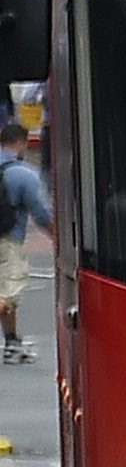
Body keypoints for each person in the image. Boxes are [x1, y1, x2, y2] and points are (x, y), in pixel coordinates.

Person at [0, 115, 49, 363]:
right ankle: (11, 345)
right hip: (8, 241)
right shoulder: (23, 174)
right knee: (9, 294)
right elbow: (40, 213)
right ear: (21, 142)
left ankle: (11, 341)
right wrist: (57, 238)